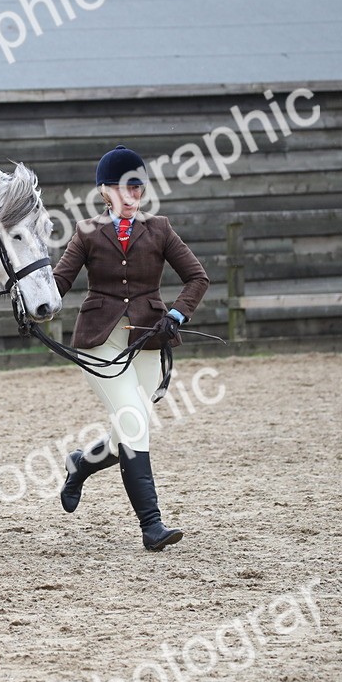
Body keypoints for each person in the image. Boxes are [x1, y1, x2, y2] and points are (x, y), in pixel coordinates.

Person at [52, 145, 210, 551]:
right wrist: (30, 294)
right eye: (122, 188)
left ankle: (81, 464)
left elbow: (197, 277)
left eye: (137, 187)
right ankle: (152, 526)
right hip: (99, 342)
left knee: (129, 428)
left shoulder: (159, 229)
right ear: (104, 191)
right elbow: (59, 283)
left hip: (147, 340)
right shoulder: (86, 231)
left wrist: (177, 314)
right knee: (134, 421)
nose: (131, 195)